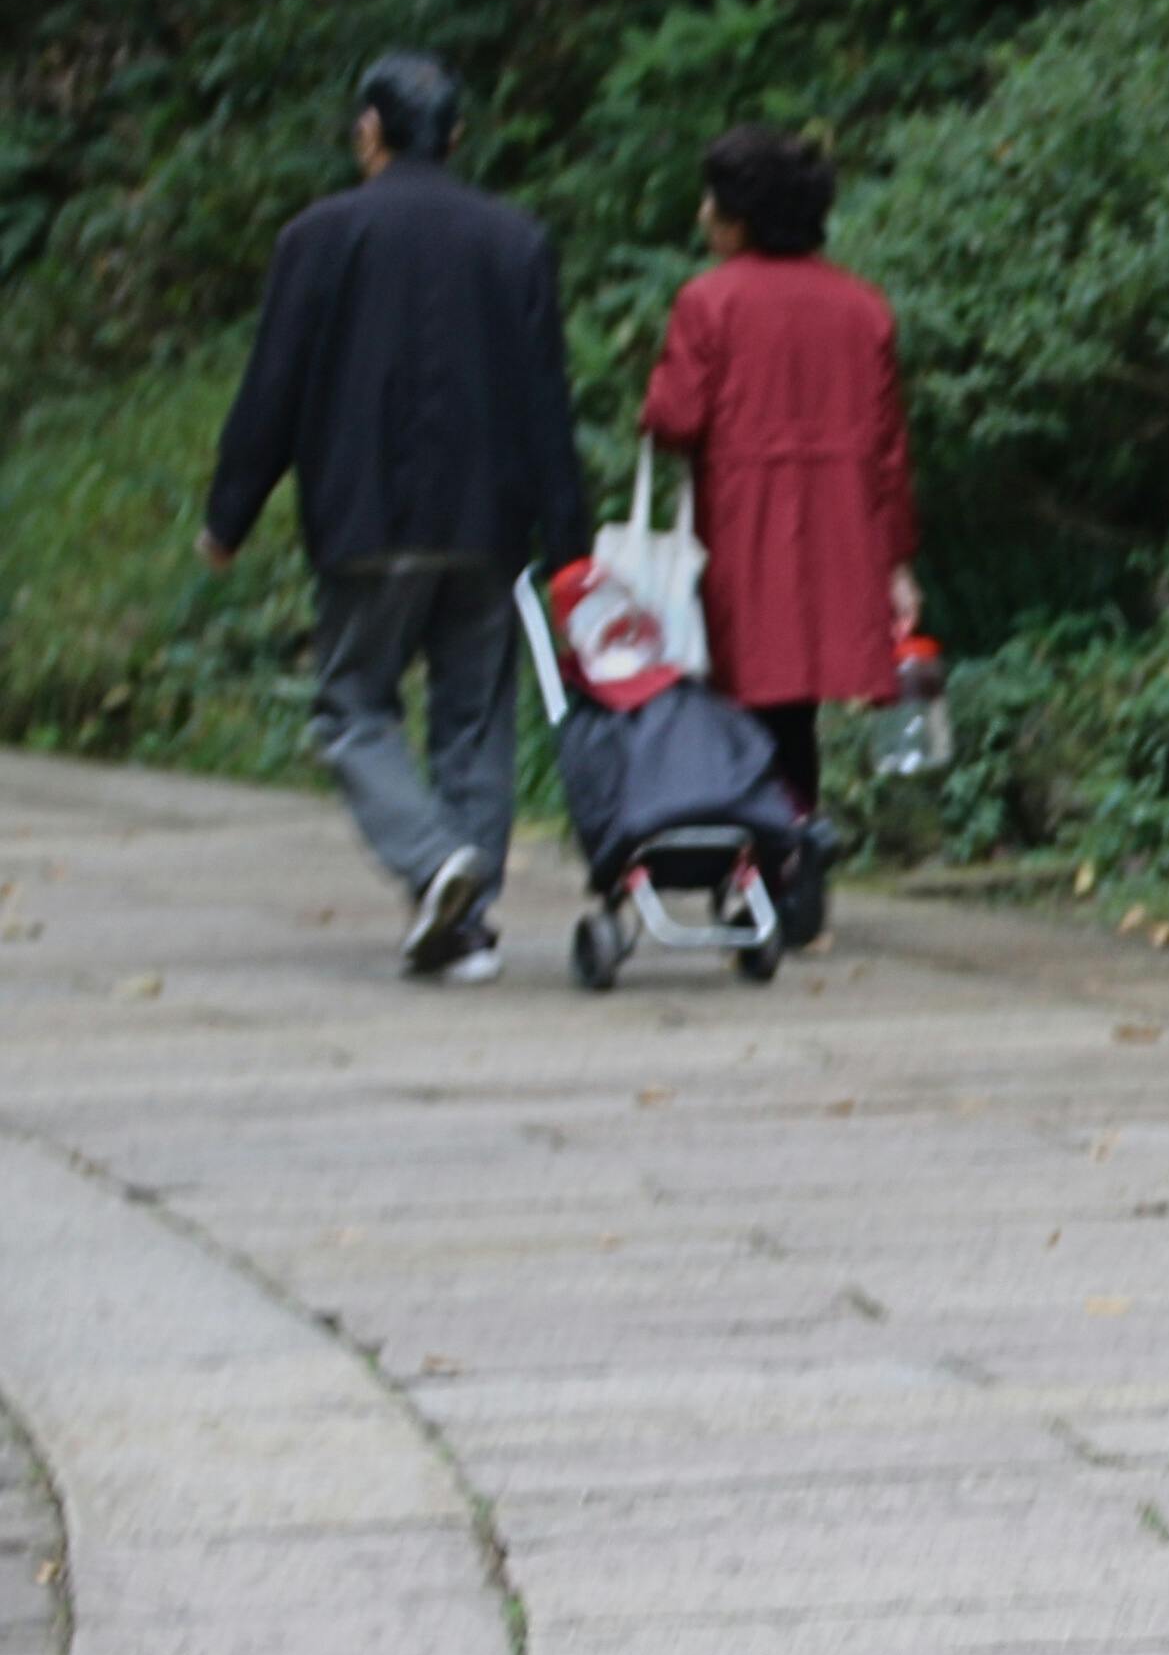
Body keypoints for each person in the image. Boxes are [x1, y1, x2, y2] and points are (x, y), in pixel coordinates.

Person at [204, 49, 590, 982]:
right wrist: (571, 540)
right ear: (454, 138)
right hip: (487, 522)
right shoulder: (514, 239)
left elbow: (274, 389)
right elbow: (547, 401)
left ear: (368, 132)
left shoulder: (318, 236)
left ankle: (434, 867)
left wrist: (230, 513)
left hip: (363, 516)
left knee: (351, 709)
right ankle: (462, 920)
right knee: (472, 719)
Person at [639, 124, 918, 945]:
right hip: (837, 527)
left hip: (742, 526)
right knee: (793, 707)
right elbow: (889, 445)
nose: (702, 214)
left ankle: (762, 865)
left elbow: (675, 417)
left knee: (739, 702)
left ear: (740, 219)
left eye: (713, 202)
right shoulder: (862, 307)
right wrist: (897, 557)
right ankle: (796, 867)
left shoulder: (709, 302)